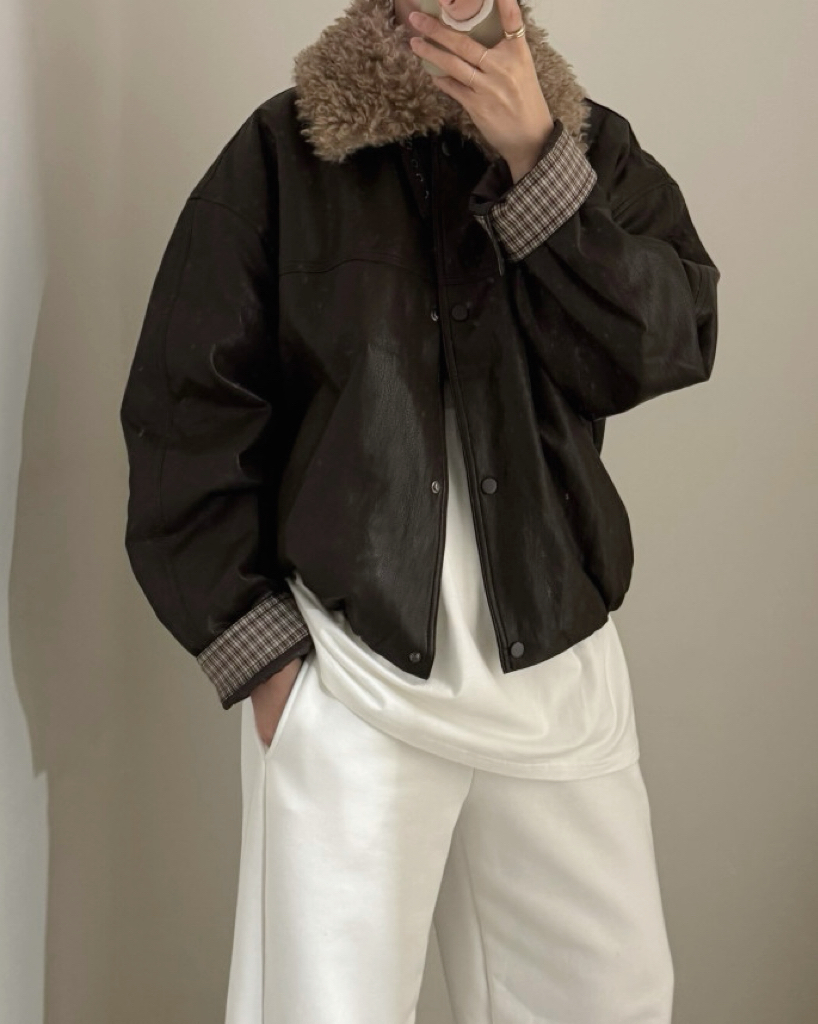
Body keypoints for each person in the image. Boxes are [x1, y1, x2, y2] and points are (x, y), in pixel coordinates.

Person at [119, 0, 720, 1021]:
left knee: (604, 999)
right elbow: (185, 409)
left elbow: (665, 346)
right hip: (351, 674)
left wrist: (537, 161)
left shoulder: (588, 148)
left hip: (557, 669)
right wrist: (259, 654)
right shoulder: (284, 155)